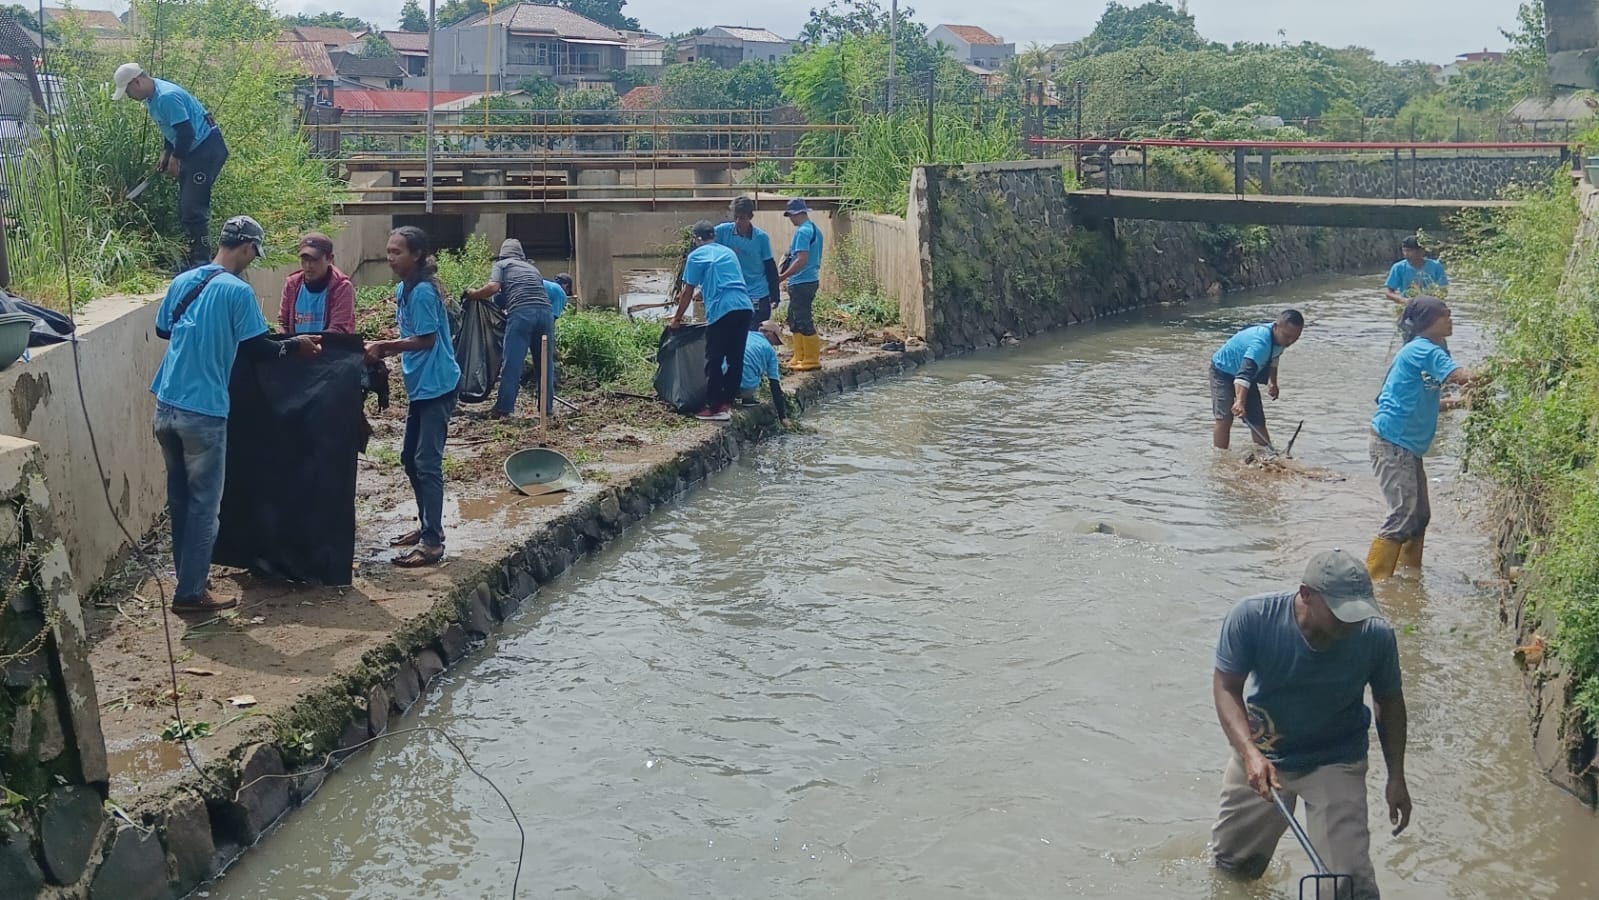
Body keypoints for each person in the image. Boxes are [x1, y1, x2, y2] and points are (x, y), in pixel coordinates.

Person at [1210, 549, 1409, 900]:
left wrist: (1397, 777)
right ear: (1306, 595)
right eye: (1341, 615)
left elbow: (1389, 703)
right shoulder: (1253, 617)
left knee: (1348, 887)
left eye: (1359, 614)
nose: (1352, 625)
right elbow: (1227, 687)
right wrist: (1249, 754)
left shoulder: (1376, 637)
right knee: (1233, 871)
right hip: (1265, 754)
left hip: (1336, 758)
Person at [151, 216, 321, 613]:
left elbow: (164, 330)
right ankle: (190, 595)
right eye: (253, 254)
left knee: (179, 501)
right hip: (203, 411)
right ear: (246, 248)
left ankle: (188, 581)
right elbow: (259, 348)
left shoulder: (183, 281)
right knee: (204, 508)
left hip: (165, 406)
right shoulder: (237, 292)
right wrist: (295, 345)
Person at [365, 227, 461, 567]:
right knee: (409, 458)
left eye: (397, 252)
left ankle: (433, 541)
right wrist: (389, 342)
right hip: (422, 385)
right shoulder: (403, 290)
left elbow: (425, 340)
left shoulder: (422, 292)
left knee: (426, 462)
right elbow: (412, 334)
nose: (391, 257)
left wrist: (383, 347)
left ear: (416, 255)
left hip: (437, 385)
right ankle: (426, 526)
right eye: (389, 251)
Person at [1365, 297, 1478, 580]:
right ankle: (1374, 583)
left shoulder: (1428, 350)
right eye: (1446, 316)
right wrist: (1506, 369)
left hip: (1404, 444)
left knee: (1420, 515)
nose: (1451, 320)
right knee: (1403, 513)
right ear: (1428, 322)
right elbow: (1465, 377)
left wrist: (1460, 404)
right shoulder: (1424, 350)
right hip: (1393, 442)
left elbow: (1426, 398)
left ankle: (1409, 576)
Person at [114, 63, 228, 268]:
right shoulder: (152, 99)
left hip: (206, 149)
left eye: (128, 91)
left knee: (193, 206)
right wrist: (166, 152)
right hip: (192, 149)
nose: (129, 97)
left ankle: (201, 261)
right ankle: (195, 256)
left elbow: (186, 132)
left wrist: (176, 159)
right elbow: (172, 130)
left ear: (136, 82)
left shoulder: (166, 97)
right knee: (187, 205)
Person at [670, 220, 755, 422]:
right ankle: (726, 403)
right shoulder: (728, 253)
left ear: (697, 239)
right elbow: (725, 279)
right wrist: (704, 292)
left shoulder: (696, 256)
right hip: (744, 306)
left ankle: (714, 407)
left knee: (714, 359)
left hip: (722, 309)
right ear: (713, 237)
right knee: (735, 358)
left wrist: (676, 319)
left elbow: (686, 292)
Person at [464, 239, 554, 419]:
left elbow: (493, 287)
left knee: (513, 363)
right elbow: (512, 294)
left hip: (522, 314)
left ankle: (504, 408)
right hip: (546, 314)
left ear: (503, 253)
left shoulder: (502, 264)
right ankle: (547, 409)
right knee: (545, 364)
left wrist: (473, 294)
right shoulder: (532, 269)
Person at [1209, 310, 1305, 450]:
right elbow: (1243, 376)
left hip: (1246, 376)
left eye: (1295, 338)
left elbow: (1274, 358)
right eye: (1287, 336)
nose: (1290, 342)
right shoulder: (1260, 344)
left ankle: (1267, 455)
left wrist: (1273, 382)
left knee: (1257, 420)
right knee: (1224, 418)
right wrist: (1240, 402)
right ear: (1276, 326)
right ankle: (1220, 459)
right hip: (1222, 371)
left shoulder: (1280, 340)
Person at [715, 196, 781, 328]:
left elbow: (770, 267)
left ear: (750, 217)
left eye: (743, 218)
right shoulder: (723, 232)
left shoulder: (761, 238)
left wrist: (775, 295)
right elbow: (705, 237)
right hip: (734, 293)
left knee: (754, 333)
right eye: (737, 217)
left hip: (757, 294)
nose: (739, 222)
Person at [778, 198, 824, 372]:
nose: (790, 219)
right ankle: (799, 355)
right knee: (793, 319)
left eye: (790, 215)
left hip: (803, 281)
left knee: (803, 320)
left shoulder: (803, 232)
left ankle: (811, 358)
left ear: (797, 214)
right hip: (805, 281)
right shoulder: (814, 230)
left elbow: (801, 259)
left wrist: (782, 276)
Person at [279, 233, 354, 335]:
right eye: (305, 260)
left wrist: (309, 344)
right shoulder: (292, 284)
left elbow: (339, 330)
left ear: (329, 259)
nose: (309, 265)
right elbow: (283, 323)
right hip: (296, 347)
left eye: (315, 260)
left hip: (330, 347)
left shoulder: (342, 287)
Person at [734, 321, 789, 421]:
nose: (774, 345)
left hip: (722, 384)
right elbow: (774, 385)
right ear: (770, 334)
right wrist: (782, 417)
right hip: (743, 387)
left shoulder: (744, 334)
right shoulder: (770, 351)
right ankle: (746, 399)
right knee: (755, 375)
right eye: (775, 341)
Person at [1383, 236, 1448, 307]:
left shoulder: (1436, 266)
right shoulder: (1398, 267)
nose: (1406, 254)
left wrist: (1433, 300)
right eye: (1404, 251)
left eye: (1409, 251)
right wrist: (1403, 300)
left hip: (1431, 307)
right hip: (1408, 307)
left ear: (1421, 251)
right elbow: (1389, 292)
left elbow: (1443, 289)